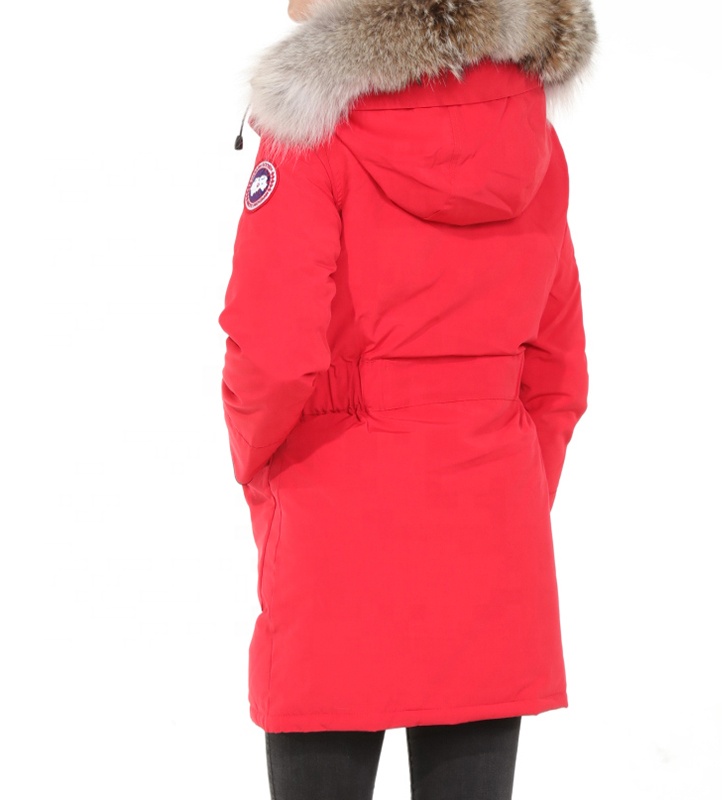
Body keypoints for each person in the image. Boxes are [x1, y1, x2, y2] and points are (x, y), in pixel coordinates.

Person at [218, 0, 597, 796]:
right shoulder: (530, 137)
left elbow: (272, 349)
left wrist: (259, 468)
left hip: (334, 538)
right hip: (492, 537)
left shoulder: (310, 136)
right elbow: (558, 368)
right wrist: (505, 491)